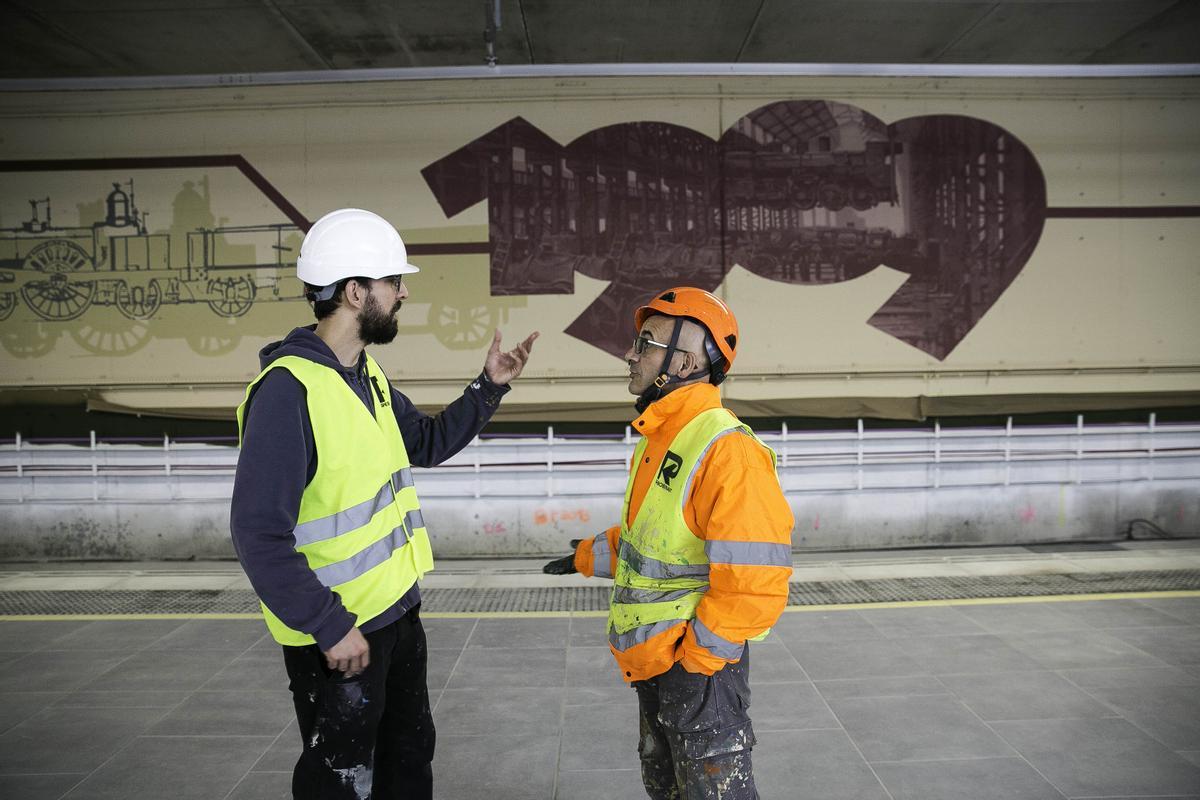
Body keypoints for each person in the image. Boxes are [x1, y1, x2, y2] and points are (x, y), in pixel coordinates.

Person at [230, 208, 537, 800]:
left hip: (395, 616)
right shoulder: (288, 392)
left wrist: (488, 386)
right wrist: (328, 625)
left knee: (405, 762)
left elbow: (424, 442)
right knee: (342, 781)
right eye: (394, 282)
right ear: (355, 292)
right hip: (340, 636)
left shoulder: (362, 374)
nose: (403, 293)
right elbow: (257, 534)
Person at [544, 287, 793, 800]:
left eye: (645, 342)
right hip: (660, 663)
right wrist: (588, 556)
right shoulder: (662, 438)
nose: (631, 354)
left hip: (699, 675)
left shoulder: (728, 451)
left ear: (684, 361)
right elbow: (656, 540)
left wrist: (697, 659)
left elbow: (755, 582)